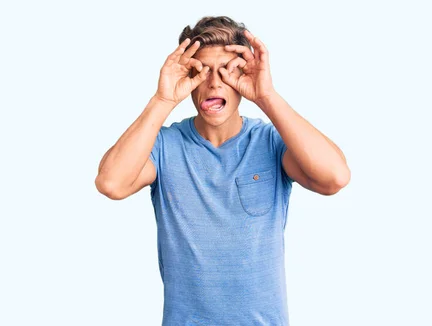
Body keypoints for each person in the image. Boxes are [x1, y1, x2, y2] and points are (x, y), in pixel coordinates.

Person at [95, 16, 350, 325]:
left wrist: (267, 96)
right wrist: (162, 100)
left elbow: (334, 178)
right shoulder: (164, 145)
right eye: (201, 71)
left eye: (226, 71)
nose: (214, 83)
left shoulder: (270, 141)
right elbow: (111, 183)